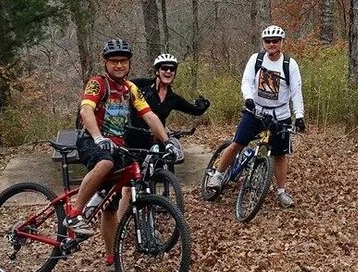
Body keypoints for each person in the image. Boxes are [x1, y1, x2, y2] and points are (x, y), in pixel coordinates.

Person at [65, 39, 175, 271]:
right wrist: (97, 137)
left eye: (123, 61)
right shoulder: (98, 83)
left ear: (129, 64)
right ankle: (74, 214)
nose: (119, 66)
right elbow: (86, 109)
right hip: (91, 139)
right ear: (106, 63)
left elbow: (149, 115)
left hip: (117, 146)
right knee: (104, 163)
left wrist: (167, 141)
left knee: (112, 204)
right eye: (114, 62)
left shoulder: (130, 89)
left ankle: (111, 258)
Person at [205, 25, 306, 208]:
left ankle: (281, 192)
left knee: (280, 154)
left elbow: (296, 92)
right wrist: (249, 99)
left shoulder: (289, 64)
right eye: (268, 41)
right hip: (256, 111)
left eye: (275, 41)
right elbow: (246, 81)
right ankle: (218, 175)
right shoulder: (256, 59)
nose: (271, 44)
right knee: (237, 143)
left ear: (282, 42)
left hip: (280, 115)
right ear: (264, 43)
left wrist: (299, 116)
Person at [126, 53, 211, 165]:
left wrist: (203, 105)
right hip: (134, 138)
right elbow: (120, 86)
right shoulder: (140, 85)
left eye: (172, 69)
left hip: (157, 138)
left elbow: (195, 110)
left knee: (166, 160)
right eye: (164, 68)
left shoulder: (173, 98)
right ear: (157, 71)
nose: (168, 71)